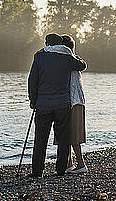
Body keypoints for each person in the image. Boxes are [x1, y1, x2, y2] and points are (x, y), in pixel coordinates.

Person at [27, 33, 87, 178]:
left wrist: (33, 100)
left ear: (47, 44)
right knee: (63, 139)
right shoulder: (66, 58)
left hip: (43, 104)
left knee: (41, 139)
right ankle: (60, 170)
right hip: (63, 104)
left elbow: (32, 80)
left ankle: (37, 172)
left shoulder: (39, 57)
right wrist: (70, 52)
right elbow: (82, 66)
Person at [49, 35, 87, 174]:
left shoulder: (70, 60)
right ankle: (69, 163)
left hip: (73, 101)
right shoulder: (70, 60)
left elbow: (82, 66)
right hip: (70, 100)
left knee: (73, 135)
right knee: (65, 134)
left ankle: (81, 164)